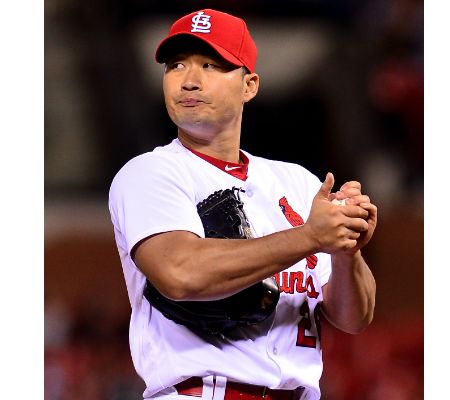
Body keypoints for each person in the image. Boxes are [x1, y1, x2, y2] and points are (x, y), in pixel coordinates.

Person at [108, 8, 377, 400]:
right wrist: (311, 236)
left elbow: (354, 319)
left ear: (249, 85)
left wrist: (345, 249)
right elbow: (180, 273)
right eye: (176, 64)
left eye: (211, 65)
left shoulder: (299, 183)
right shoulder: (150, 173)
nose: (189, 80)